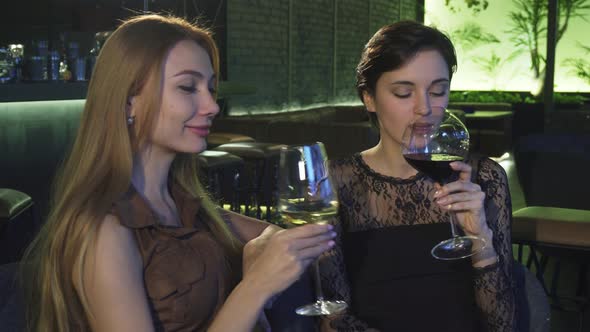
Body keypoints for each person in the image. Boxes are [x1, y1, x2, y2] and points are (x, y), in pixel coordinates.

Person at [20, 14, 335, 332]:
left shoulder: (186, 205)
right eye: (188, 87)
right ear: (129, 102)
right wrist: (254, 288)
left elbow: (280, 237)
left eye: (210, 88)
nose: (212, 105)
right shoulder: (105, 229)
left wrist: (258, 254)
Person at [319, 21, 516, 331]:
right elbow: (334, 318)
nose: (425, 108)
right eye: (403, 92)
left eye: (438, 90)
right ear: (368, 97)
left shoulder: (485, 178)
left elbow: (503, 324)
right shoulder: (335, 182)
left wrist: (481, 241)